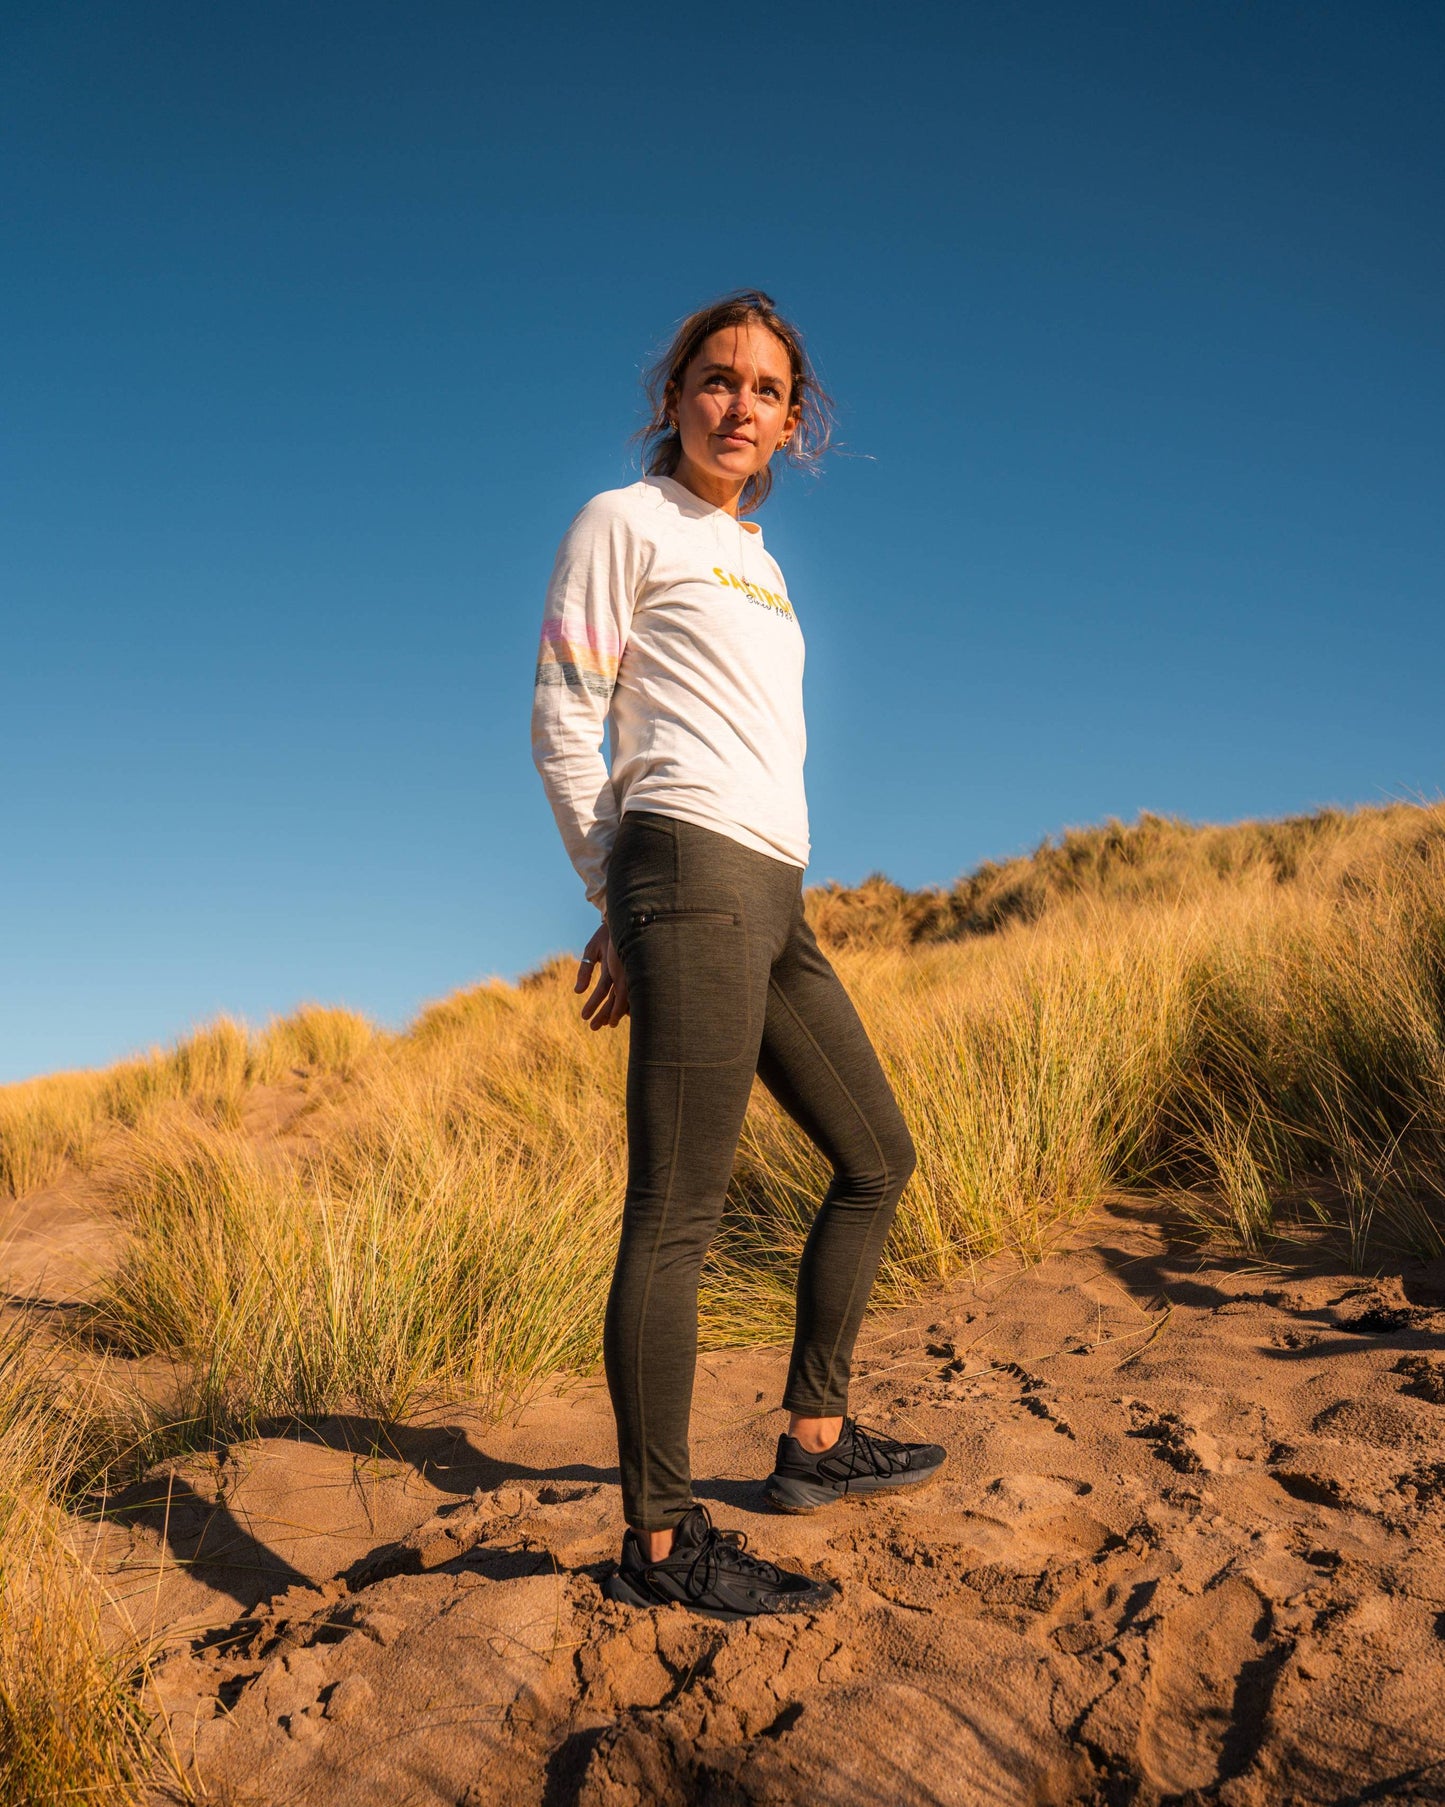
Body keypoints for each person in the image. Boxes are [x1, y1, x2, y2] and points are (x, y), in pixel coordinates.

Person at [530, 289, 945, 1621]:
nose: (739, 406)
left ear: (792, 423)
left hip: (774, 891)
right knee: (677, 1214)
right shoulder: (623, 520)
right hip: (687, 869)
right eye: (717, 379)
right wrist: (616, 895)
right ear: (674, 396)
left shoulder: (755, 561)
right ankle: (659, 1542)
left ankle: (813, 1440)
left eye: (766, 390)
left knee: (875, 1157)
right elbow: (564, 719)